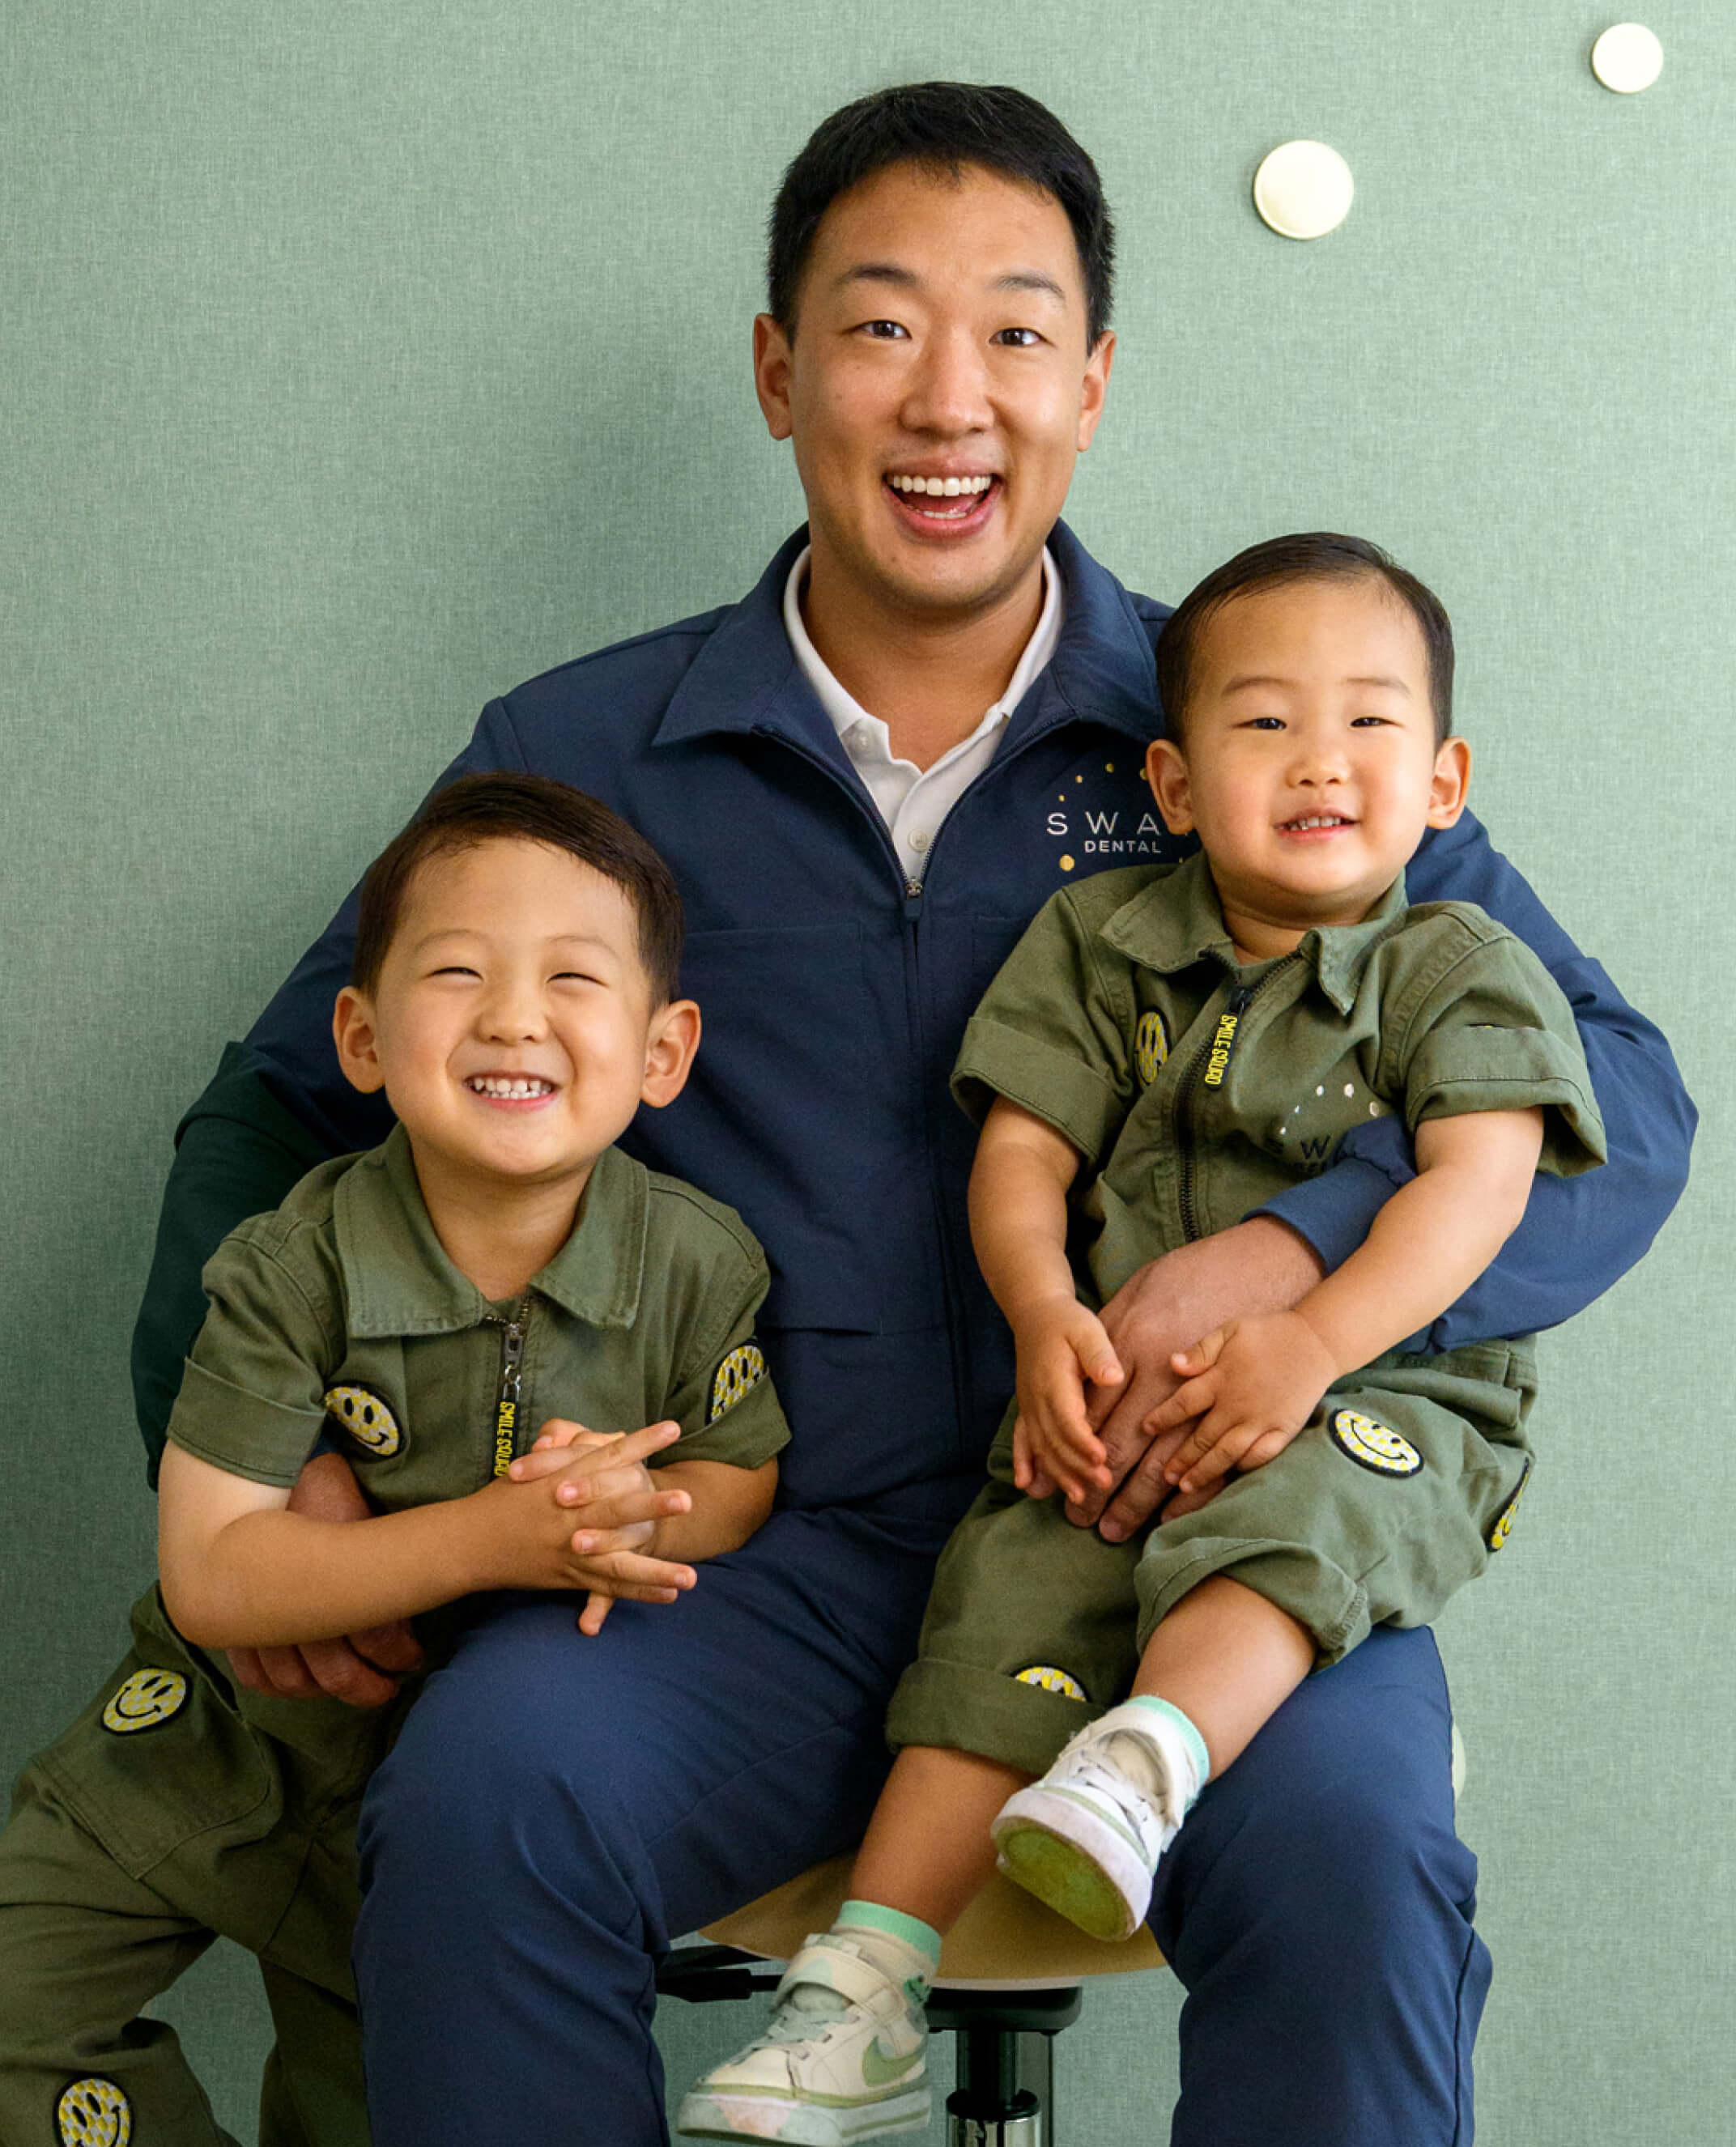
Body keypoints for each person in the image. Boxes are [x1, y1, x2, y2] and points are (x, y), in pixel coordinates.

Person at [124, 83, 1691, 2147]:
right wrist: (273, 1479)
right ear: (779, 372)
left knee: (1354, 1859)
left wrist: (1293, 1257)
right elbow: (270, 1116)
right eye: (879, 327)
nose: (950, 400)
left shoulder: (1255, 721)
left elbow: (1610, 1096)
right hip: (753, 1565)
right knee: (493, 1794)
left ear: (1090, 383)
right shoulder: (587, 752)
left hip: (1210, 1533)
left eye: (1016, 333)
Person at [677, 532, 1607, 2142]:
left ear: (1443, 781)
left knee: (1293, 1527)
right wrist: (1044, 1315)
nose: (1318, 759)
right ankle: (861, 1999)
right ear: (1172, 784)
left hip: (1376, 1399)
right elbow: (1019, 1154)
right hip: (1118, 1404)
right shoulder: (1104, 939)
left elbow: (1479, 1187)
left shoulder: (1460, 970)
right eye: (1265, 724)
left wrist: (1308, 1341)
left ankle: (1147, 1760)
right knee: (997, 1617)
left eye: (1368, 722)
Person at [0, 775, 789, 2147]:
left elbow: (737, 1474)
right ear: (361, 1037)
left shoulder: (695, 1263)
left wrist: (634, 1520)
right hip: (210, 1745)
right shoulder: (286, 1265)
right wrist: (498, 1537)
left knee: (380, 2109)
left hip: (435, 1803)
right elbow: (213, 1572)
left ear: (664, 1053)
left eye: (572, 978)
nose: (515, 1016)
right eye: (459, 972)